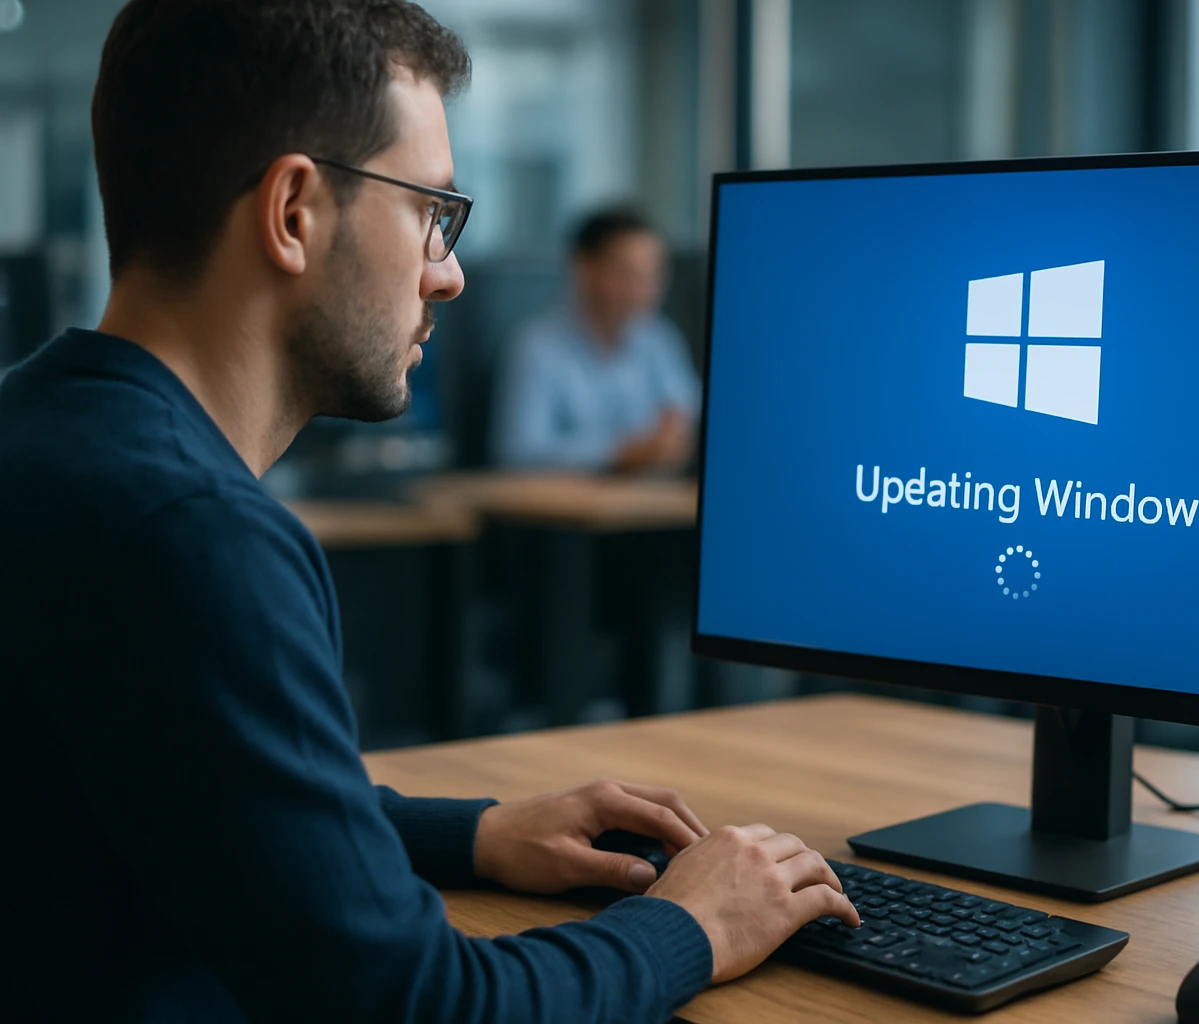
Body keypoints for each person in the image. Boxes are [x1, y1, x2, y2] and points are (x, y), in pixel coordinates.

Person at [0, 3, 856, 1022]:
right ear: (293, 212)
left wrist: (480, 832)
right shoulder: (191, 535)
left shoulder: (42, 436)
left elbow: (214, 793)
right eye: (430, 213)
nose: (448, 273)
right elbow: (418, 1003)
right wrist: (693, 923)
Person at [492, 206, 701, 472]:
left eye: (652, 275)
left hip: (650, 503)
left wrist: (678, 434)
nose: (643, 290)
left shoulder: (660, 340)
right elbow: (519, 452)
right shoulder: (536, 348)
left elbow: (685, 414)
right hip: (564, 508)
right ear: (584, 268)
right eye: (627, 274)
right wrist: (622, 452)